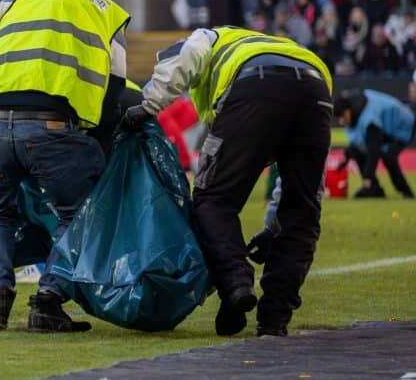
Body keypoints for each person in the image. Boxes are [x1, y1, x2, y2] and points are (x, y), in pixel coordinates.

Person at [120, 26, 332, 338]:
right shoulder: (290, 50)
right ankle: (274, 319)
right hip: (317, 90)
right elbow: (302, 187)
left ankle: (235, 284)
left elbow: (187, 55)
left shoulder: (213, 35)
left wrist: (149, 105)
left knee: (212, 201)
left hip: (253, 85)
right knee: (302, 214)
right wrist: (274, 227)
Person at [0, 0, 130, 333]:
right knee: (76, 214)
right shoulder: (106, 12)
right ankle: (48, 300)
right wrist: (94, 143)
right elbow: (113, 91)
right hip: (51, 123)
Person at [333, 89, 415, 199]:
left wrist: (367, 178)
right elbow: (357, 143)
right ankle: (375, 189)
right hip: (385, 129)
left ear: (348, 111)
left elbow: (373, 151)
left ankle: (406, 191)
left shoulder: (369, 119)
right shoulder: (355, 113)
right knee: (355, 151)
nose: (341, 122)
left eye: (342, 116)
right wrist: (346, 158)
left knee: (388, 155)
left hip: (403, 125)